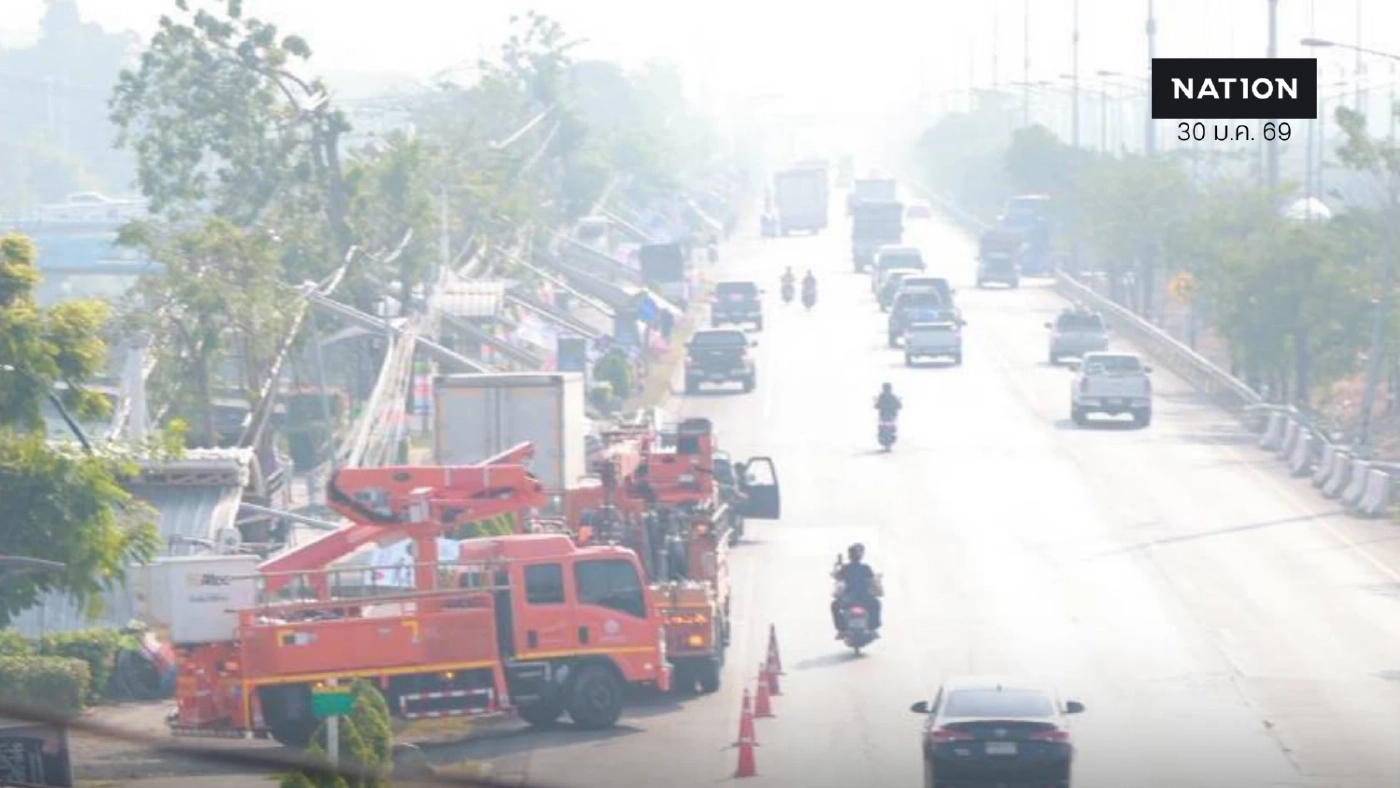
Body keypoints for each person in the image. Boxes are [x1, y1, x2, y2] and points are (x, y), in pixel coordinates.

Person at [831, 543, 881, 637]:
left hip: (849, 599)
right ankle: (873, 628)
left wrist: (837, 565)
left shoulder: (846, 568)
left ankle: (841, 630)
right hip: (865, 598)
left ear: (850, 556)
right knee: (876, 603)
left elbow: (837, 577)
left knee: (834, 605)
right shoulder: (865, 568)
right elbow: (872, 582)